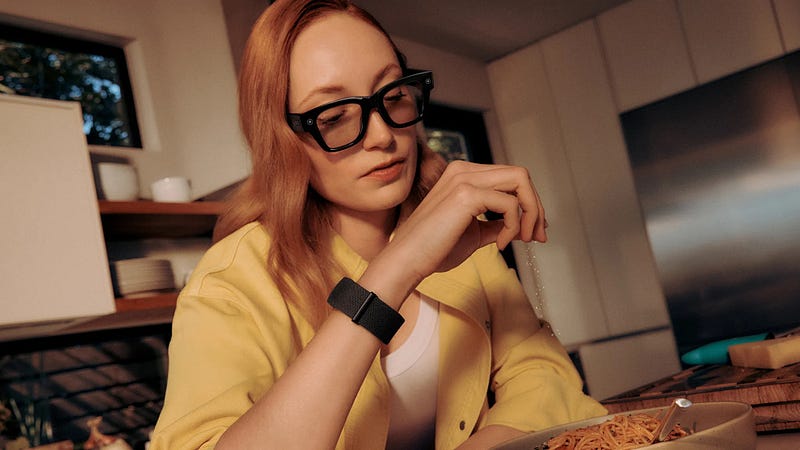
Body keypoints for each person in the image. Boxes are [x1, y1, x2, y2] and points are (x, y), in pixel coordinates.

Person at [150, 0, 607, 448]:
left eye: (393, 97)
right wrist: (396, 267)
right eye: (333, 117)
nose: (383, 136)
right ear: (280, 138)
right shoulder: (228, 285)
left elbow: (545, 376)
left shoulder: (463, 236)